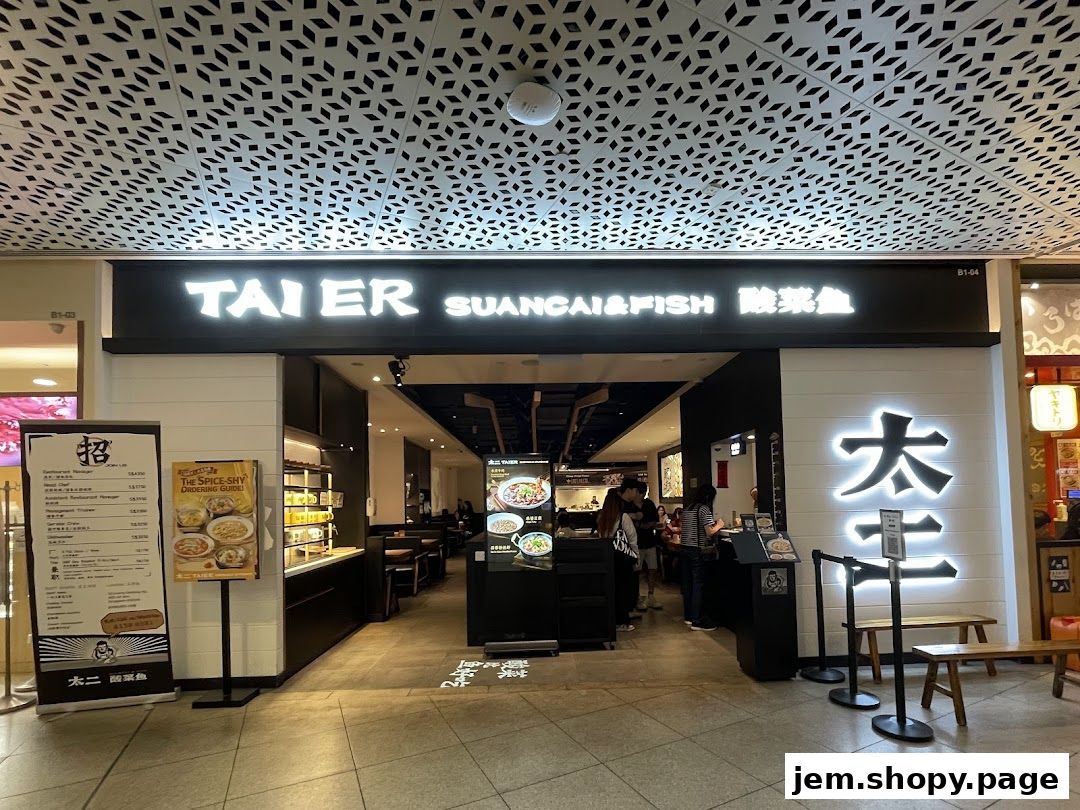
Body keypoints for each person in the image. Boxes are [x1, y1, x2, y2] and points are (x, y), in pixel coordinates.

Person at [680, 484, 724, 631]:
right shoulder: (704, 509)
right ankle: (697, 620)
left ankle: (688, 616)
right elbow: (709, 532)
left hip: (685, 549)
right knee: (698, 584)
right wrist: (719, 524)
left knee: (688, 585)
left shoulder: (688, 508)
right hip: (697, 551)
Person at [597, 489, 639, 631]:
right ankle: (623, 621)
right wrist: (636, 557)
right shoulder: (623, 517)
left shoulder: (602, 517)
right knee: (624, 590)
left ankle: (611, 620)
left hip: (608, 558)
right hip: (623, 559)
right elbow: (632, 539)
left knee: (611, 589)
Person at [628, 482, 662, 611]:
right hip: (635, 543)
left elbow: (654, 521)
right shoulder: (629, 506)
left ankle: (651, 596)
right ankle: (636, 597)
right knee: (636, 570)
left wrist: (643, 525)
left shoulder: (649, 504)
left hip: (650, 542)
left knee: (652, 569)